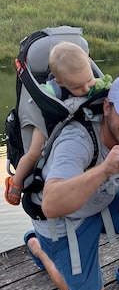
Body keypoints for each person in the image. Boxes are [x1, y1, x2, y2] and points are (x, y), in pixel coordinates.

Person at [24, 73, 119, 290]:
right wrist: (105, 169)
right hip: (63, 218)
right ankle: (37, 246)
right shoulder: (77, 139)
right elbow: (50, 206)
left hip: (101, 201)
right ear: (107, 107)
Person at [4, 41, 106, 206]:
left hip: (76, 122)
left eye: (89, 81)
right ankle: (16, 181)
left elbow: (101, 87)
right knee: (34, 153)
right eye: (78, 87)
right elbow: (40, 100)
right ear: (61, 82)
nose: (87, 89)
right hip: (47, 120)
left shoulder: (89, 79)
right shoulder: (52, 88)